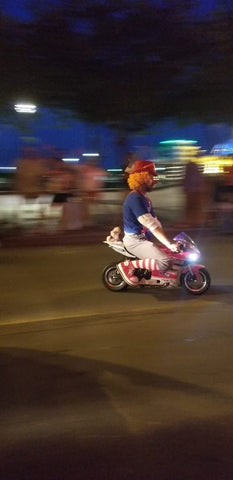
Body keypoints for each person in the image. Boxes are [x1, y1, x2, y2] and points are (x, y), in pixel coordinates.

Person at [117, 160, 178, 286]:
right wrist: (169, 243)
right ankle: (128, 267)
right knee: (165, 260)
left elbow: (156, 223)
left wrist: (169, 244)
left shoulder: (145, 200)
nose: (153, 180)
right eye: (150, 176)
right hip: (135, 241)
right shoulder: (135, 199)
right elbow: (151, 225)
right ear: (141, 177)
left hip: (143, 239)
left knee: (171, 255)